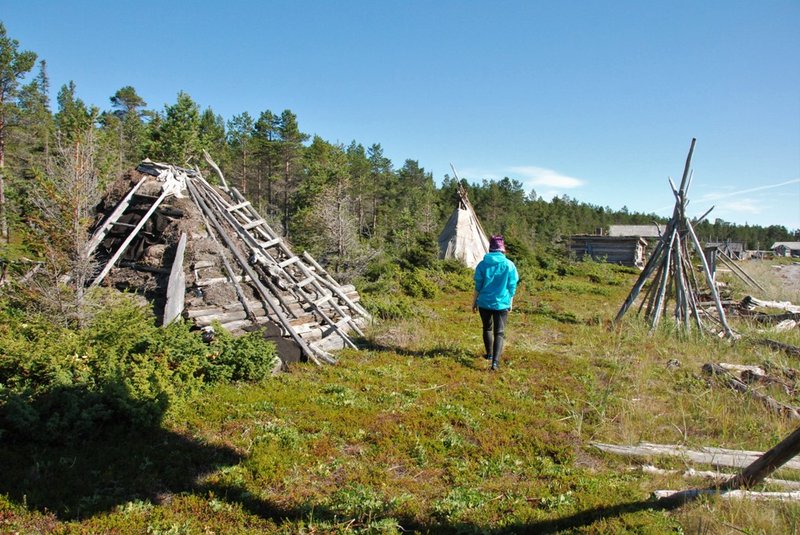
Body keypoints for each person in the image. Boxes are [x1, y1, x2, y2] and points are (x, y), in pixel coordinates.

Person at [472, 235, 519, 371]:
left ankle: (489, 355)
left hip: (484, 303)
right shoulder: (509, 265)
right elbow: (512, 286)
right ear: (502, 249)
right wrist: (510, 302)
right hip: (502, 303)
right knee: (499, 332)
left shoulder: (482, 264)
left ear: (490, 248)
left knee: (487, 328)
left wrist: (474, 302)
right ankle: (495, 363)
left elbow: (478, 286)